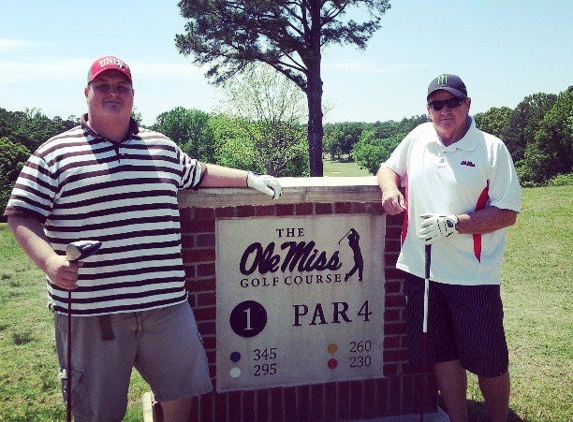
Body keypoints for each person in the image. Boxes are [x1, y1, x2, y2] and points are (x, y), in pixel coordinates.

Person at [4, 55, 282, 422]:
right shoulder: (54, 154)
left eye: (121, 87)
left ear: (133, 95)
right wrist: (49, 262)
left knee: (182, 394)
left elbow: (198, 173)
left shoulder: (160, 147)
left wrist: (247, 178)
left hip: (166, 306)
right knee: (96, 412)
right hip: (92, 312)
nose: (112, 93)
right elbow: (20, 214)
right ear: (86, 93)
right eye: (103, 86)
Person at [377, 74, 521, 422]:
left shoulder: (490, 148)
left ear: (467, 105)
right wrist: (389, 190)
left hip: (474, 276)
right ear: (428, 109)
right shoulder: (418, 138)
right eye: (436, 105)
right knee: (443, 355)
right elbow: (387, 169)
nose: (445, 111)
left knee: (488, 360)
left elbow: (507, 213)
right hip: (422, 271)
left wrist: (455, 223)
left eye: (452, 103)